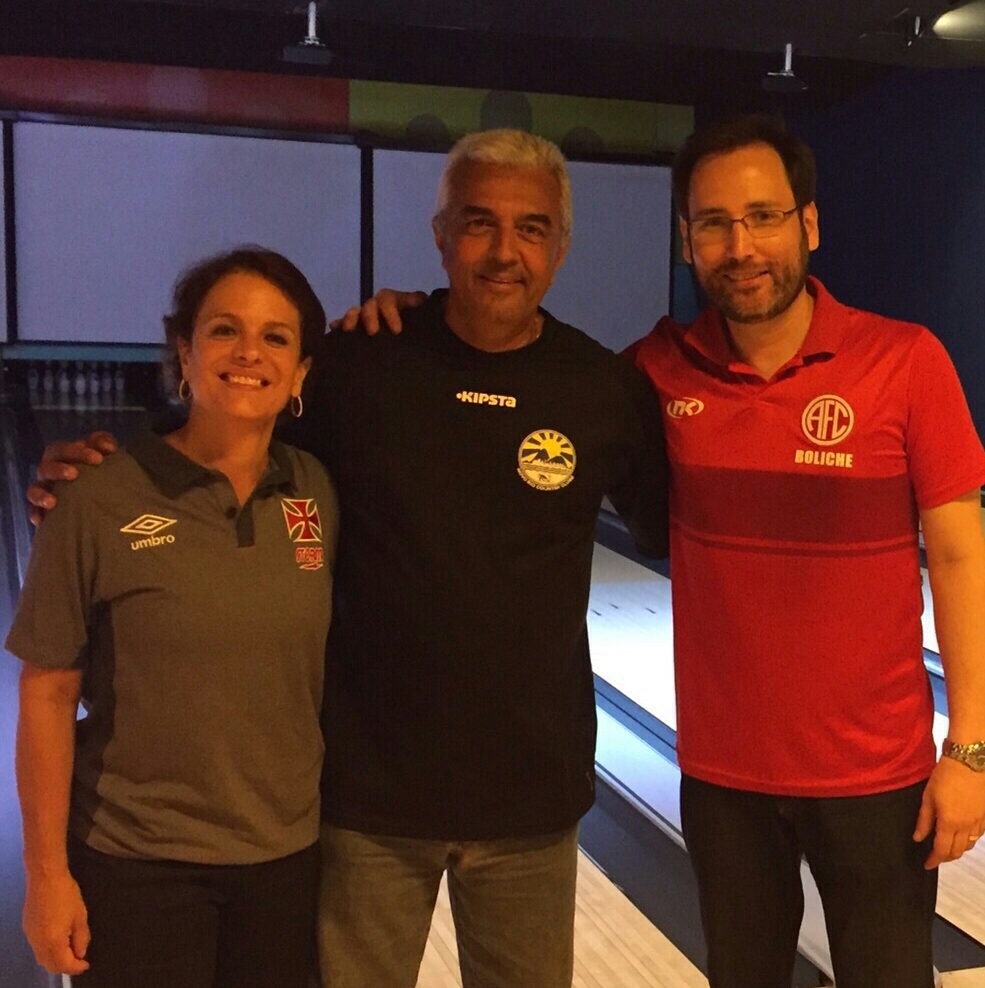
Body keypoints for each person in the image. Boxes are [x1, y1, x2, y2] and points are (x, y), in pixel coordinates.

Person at [352, 114, 985, 988]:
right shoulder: (653, 371)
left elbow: (957, 560)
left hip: (878, 776)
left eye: (761, 217)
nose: (740, 246)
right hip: (724, 781)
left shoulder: (905, 361)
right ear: (687, 241)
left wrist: (969, 750)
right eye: (713, 223)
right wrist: (415, 316)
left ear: (807, 223)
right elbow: (517, 360)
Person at [29, 131, 669, 988]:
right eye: (477, 222)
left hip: (531, 799)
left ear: (559, 246)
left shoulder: (603, 389)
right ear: (440, 234)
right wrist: (98, 473)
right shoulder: (360, 363)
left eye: (531, 228)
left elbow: (670, 529)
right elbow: (224, 438)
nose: (503, 250)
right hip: (368, 800)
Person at [9, 247, 338, 988]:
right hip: (136, 864)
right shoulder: (94, 499)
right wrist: (46, 874)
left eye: (275, 337)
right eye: (224, 330)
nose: (249, 352)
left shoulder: (315, 489)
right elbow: (48, 691)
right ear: (183, 353)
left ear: (300, 373)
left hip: (283, 862)